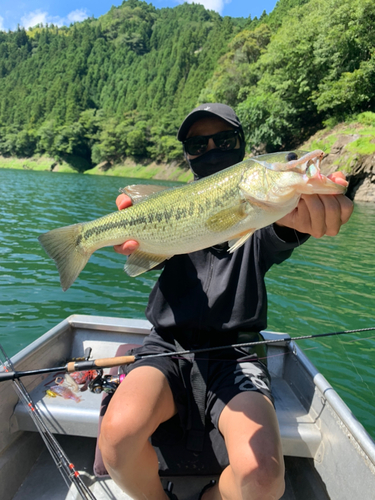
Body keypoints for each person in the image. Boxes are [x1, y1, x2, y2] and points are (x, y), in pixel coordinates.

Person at [99, 103, 353, 500]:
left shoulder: (266, 216)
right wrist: (134, 232)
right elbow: (140, 257)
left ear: (243, 148)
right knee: (115, 438)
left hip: (237, 354)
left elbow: (283, 230)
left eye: (225, 140)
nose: (212, 149)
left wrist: (307, 209)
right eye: (199, 144)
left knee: (263, 477)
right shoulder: (176, 207)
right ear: (187, 155)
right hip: (167, 346)